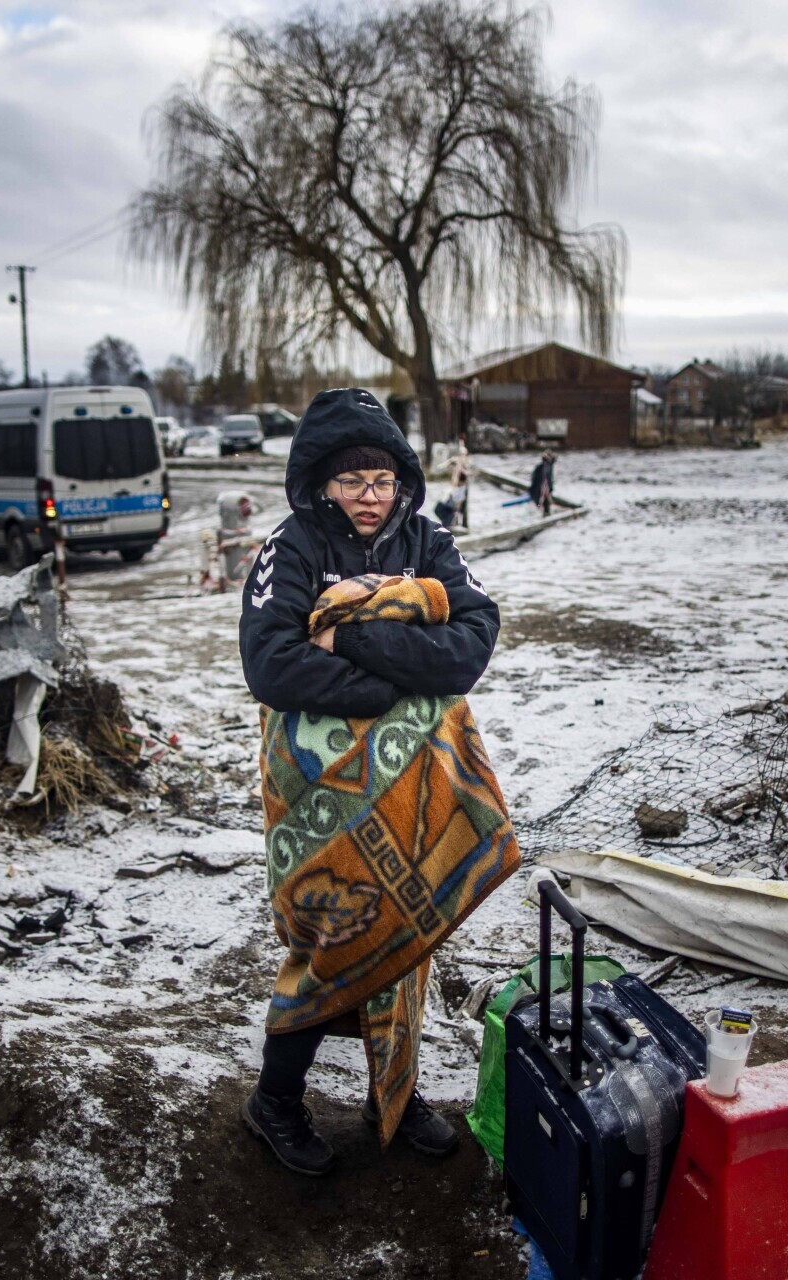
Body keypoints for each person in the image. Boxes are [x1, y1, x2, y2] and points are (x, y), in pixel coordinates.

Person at [238, 387, 515, 1176]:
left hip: (412, 794)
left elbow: (470, 645)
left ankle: (394, 1090)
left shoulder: (428, 542)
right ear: (323, 482)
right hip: (315, 795)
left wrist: (350, 642)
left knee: (408, 937)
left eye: (384, 480)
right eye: (353, 481)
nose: (370, 496)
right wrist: (393, 682)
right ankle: (277, 1101)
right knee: (327, 934)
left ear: (403, 482)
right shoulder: (288, 549)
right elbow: (271, 663)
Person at [528, 448, 557, 516]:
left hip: (546, 488)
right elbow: (535, 478)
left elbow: (554, 459)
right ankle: (544, 514)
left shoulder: (549, 465)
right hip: (541, 489)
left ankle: (546, 514)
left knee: (546, 504)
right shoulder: (541, 466)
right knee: (541, 503)